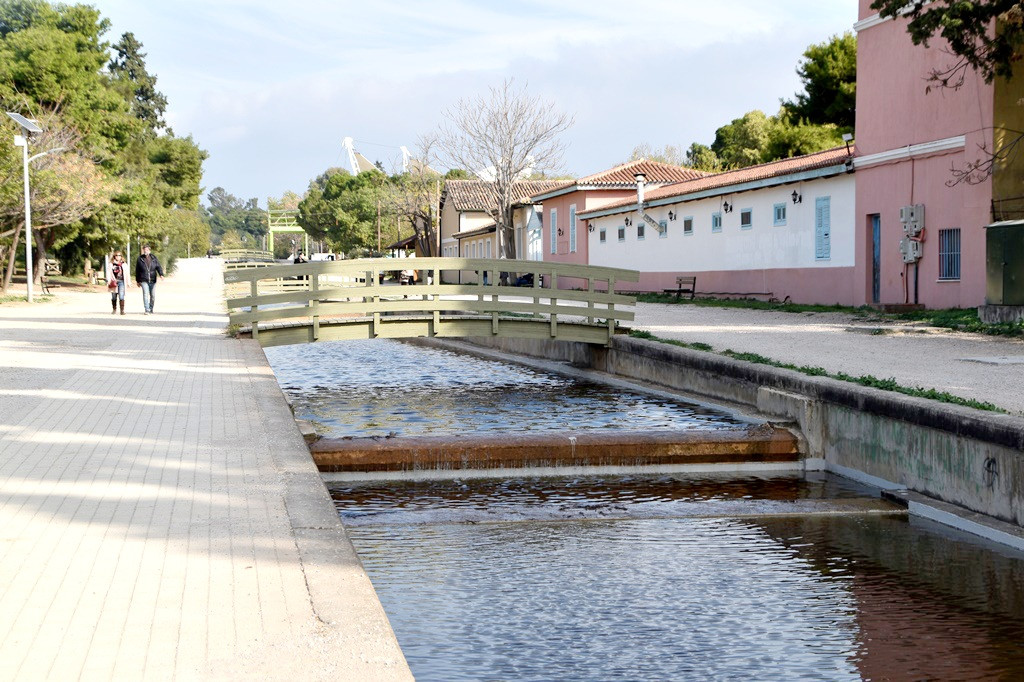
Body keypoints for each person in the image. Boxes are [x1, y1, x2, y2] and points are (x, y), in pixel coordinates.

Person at [135, 244, 164, 314]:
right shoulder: (140, 259)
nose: (145, 251)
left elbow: (158, 267)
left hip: (153, 279)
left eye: (147, 249)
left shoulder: (154, 258)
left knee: (153, 295)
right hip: (143, 279)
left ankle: (151, 308)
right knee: (145, 294)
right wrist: (138, 281)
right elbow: (137, 270)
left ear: (149, 250)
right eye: (144, 250)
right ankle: (147, 309)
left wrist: (161, 274)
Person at [106, 251, 130, 315]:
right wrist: (109, 280)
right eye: (116, 255)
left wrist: (128, 282)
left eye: (119, 255)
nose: (118, 257)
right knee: (114, 296)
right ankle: (114, 309)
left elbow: (127, 274)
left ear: (121, 257)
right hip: (114, 282)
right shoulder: (111, 264)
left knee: (121, 295)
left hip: (121, 281)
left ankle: (122, 310)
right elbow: (108, 273)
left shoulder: (124, 264)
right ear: (114, 256)